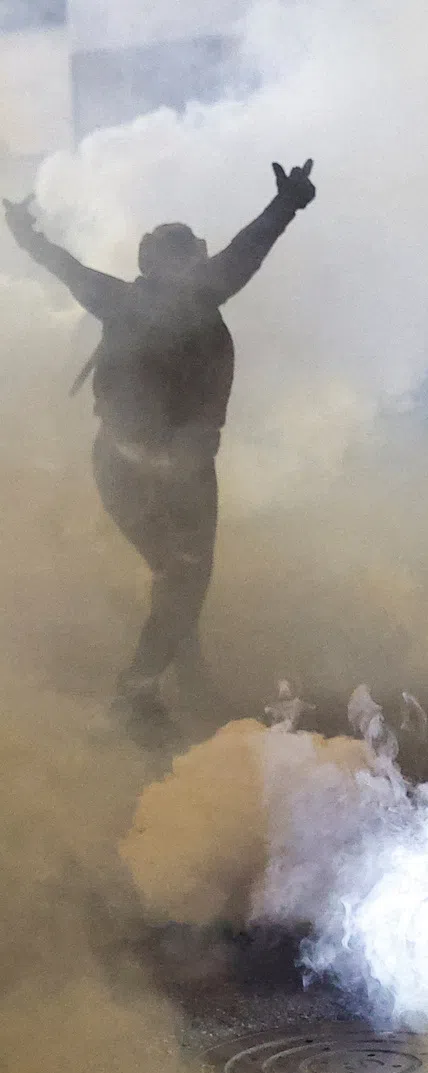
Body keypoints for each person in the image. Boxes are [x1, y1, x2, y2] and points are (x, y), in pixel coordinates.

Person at [3, 159, 316, 725]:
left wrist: (26, 233)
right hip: (148, 472)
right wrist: (287, 203)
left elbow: (61, 264)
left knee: (180, 580)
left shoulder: (122, 297)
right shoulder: (188, 292)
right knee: (183, 578)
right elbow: (248, 247)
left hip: (150, 470)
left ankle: (176, 674)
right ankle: (136, 690)